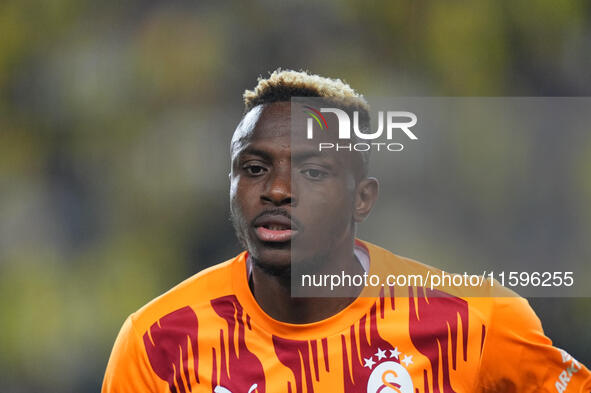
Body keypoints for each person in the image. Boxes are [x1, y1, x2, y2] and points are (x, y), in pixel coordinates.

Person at [102, 69, 591, 393]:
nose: (276, 191)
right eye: (254, 168)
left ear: (363, 198)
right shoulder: (159, 343)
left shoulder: (476, 324)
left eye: (313, 173)